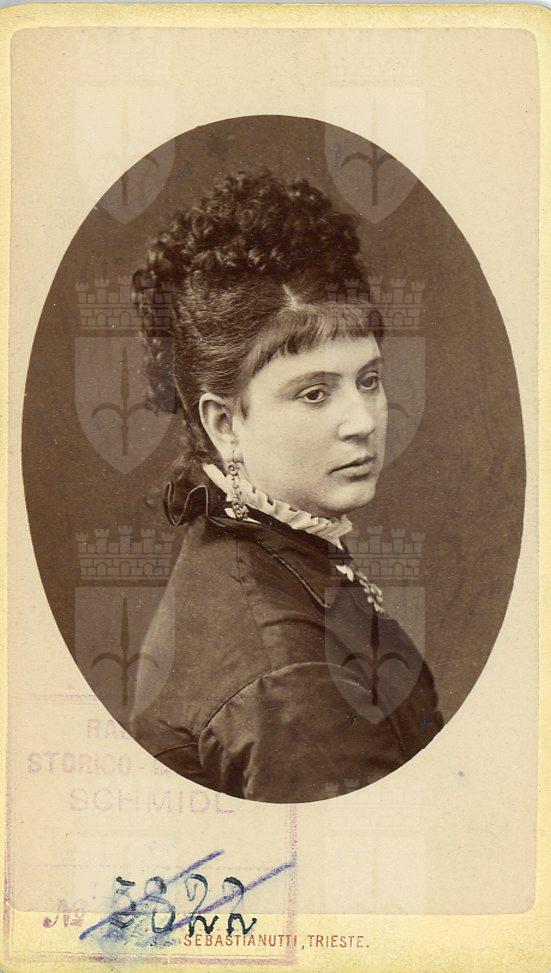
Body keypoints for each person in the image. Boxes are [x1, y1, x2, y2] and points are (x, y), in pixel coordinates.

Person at [129, 168, 443, 803]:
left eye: (369, 381)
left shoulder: (254, 549)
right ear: (224, 423)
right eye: (315, 393)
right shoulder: (290, 673)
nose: (362, 421)